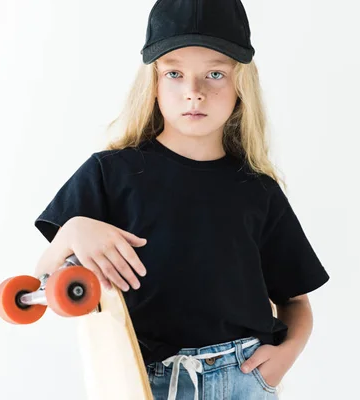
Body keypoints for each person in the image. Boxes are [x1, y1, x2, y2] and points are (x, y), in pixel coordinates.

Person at [32, 0, 330, 399]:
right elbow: (43, 282)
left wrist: (286, 356)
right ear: (152, 83)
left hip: (243, 378)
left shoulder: (258, 189)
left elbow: (295, 300)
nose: (194, 93)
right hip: (145, 379)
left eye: (214, 73)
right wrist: (72, 231)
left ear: (241, 83)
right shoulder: (109, 174)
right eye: (174, 73)